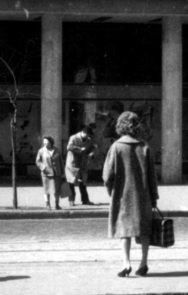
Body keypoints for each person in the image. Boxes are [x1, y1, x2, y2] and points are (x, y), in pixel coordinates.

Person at [103, 110, 158, 277]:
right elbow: (152, 176)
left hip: (122, 196)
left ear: (120, 126)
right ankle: (144, 263)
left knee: (124, 229)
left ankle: (126, 264)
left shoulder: (116, 147)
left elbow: (107, 176)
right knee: (145, 229)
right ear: (137, 127)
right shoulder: (144, 147)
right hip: (144, 196)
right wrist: (154, 197)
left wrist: (111, 192)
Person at [64, 126, 95, 205]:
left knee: (83, 183)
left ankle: (85, 200)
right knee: (71, 182)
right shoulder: (73, 137)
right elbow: (69, 147)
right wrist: (80, 150)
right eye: (87, 135)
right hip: (73, 164)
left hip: (82, 164)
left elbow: (92, 147)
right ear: (83, 132)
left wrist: (91, 153)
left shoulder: (88, 140)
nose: (88, 137)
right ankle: (71, 200)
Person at [36, 136, 64, 210]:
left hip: (56, 173)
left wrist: (63, 172)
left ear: (51, 142)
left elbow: (61, 161)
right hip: (46, 174)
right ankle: (47, 204)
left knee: (56, 190)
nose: (45, 143)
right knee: (46, 189)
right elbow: (38, 161)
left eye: (46, 142)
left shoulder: (57, 150)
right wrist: (43, 167)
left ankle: (57, 204)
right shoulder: (41, 151)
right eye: (44, 142)